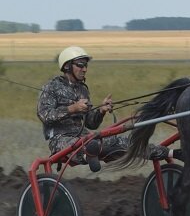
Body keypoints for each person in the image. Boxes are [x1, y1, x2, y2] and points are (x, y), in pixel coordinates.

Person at [37, 46, 178, 172]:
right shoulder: (51, 87)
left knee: (122, 142)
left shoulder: (82, 89)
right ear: (67, 66)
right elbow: (44, 115)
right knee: (83, 144)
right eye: (80, 65)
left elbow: (91, 123)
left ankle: (172, 153)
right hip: (60, 139)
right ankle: (89, 154)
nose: (84, 69)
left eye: (86, 65)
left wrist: (101, 111)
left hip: (85, 137)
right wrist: (72, 109)